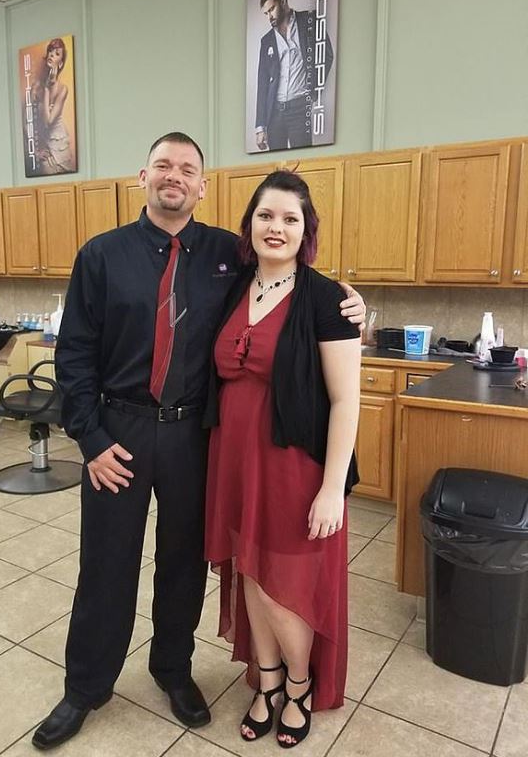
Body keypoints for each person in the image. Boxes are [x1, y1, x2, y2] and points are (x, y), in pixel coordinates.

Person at [32, 132, 365, 750]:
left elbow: (294, 280)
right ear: (143, 176)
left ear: (203, 186)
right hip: (118, 433)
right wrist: (90, 439)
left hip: (194, 436)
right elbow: (73, 355)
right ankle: (85, 687)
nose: (175, 177)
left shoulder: (225, 255)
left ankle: (173, 671)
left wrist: (349, 304)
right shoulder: (101, 256)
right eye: (163, 165)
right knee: (106, 565)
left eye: (188, 169)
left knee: (184, 564)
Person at [204, 170, 361, 748]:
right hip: (234, 461)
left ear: (305, 230)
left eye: (290, 218)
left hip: (293, 467)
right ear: (249, 224)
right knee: (251, 569)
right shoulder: (232, 287)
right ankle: (267, 680)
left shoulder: (328, 299)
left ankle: (298, 684)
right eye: (266, 215)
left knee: (284, 581)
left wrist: (332, 488)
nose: (276, 227)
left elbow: (346, 400)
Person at [255, 0, 333, 151]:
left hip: (299, 108)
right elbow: (262, 83)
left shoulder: (310, 20)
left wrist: (314, 90)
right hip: (275, 113)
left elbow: (327, 54)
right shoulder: (266, 40)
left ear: (283, 1)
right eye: (266, 13)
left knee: (302, 159)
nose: (269, 17)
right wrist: (260, 126)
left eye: (272, 9)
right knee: (276, 163)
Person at [34, 38, 75, 174]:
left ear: (61, 63)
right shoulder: (36, 88)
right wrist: (35, 152)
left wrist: (48, 88)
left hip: (60, 147)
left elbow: (49, 122)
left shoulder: (63, 89)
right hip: (45, 149)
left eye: (57, 53)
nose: (52, 54)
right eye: (50, 51)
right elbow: (26, 124)